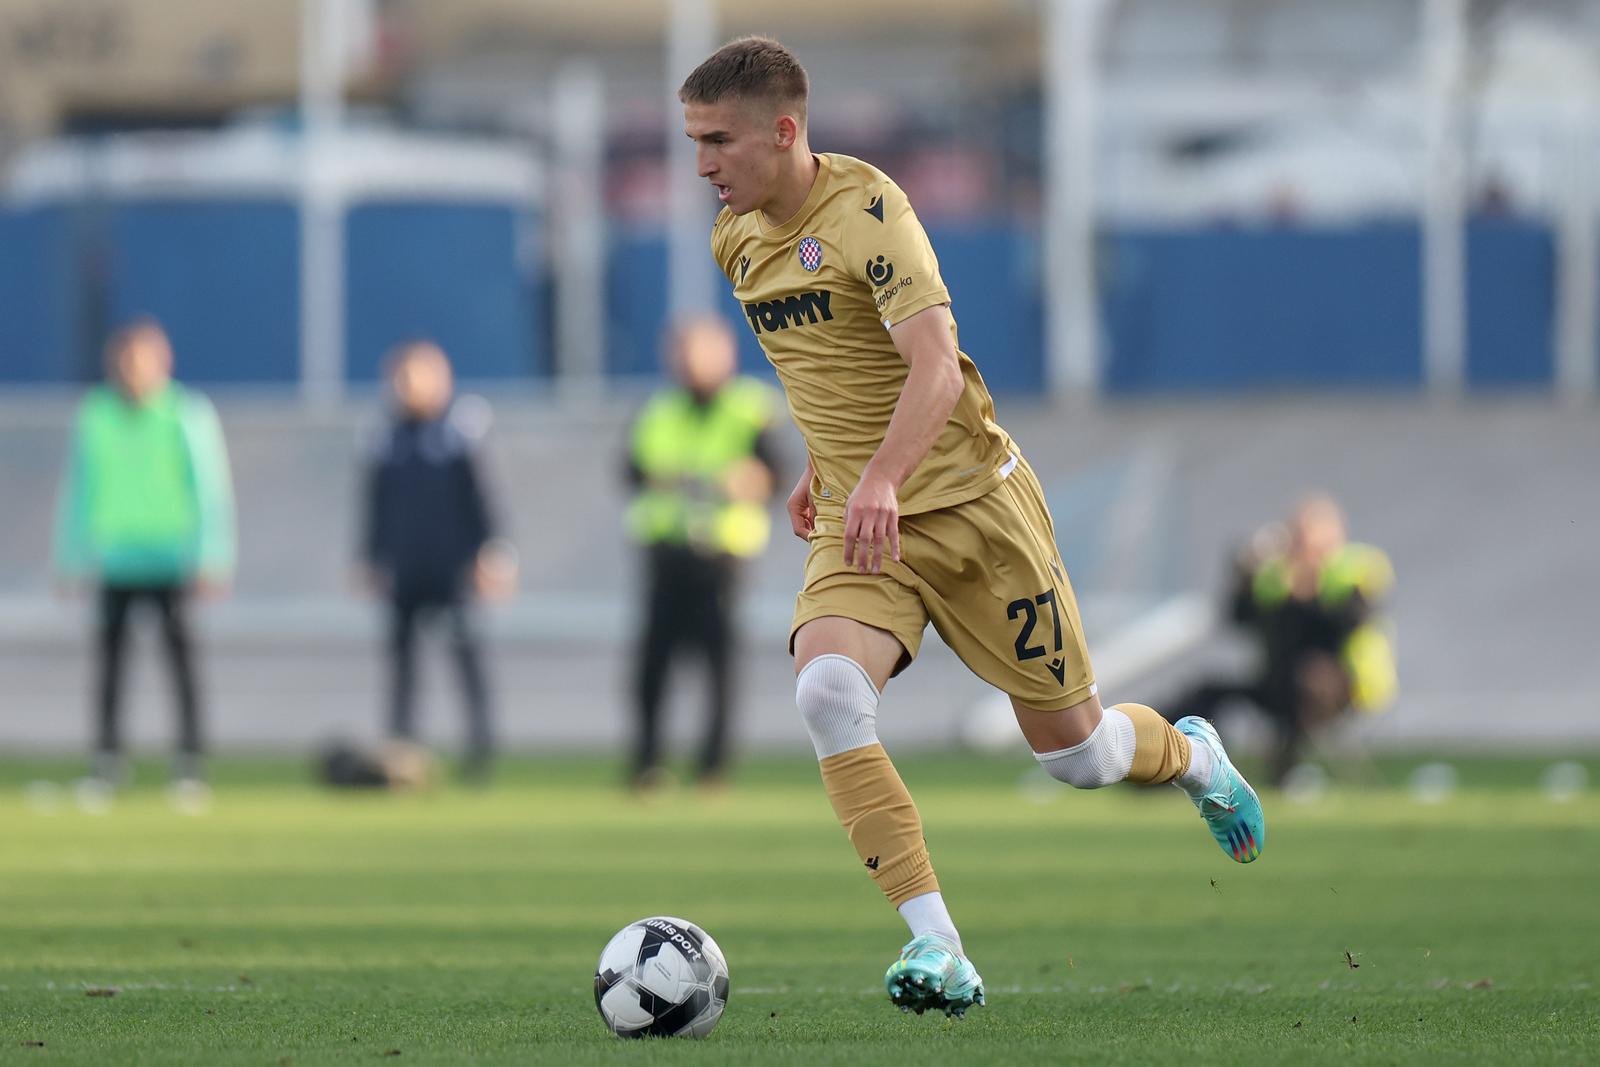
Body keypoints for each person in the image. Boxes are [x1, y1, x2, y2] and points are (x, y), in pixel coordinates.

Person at [678, 36, 1267, 1019]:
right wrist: (827, 473)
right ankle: (938, 946)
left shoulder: (873, 213)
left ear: (784, 132)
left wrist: (877, 476)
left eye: (717, 141)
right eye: (693, 141)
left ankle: (1194, 754)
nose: (700, 163)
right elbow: (825, 366)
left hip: (974, 512)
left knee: (1077, 756)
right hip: (868, 524)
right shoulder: (733, 238)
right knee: (826, 689)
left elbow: (934, 365)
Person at [53, 318, 235, 804]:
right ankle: (108, 760)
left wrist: (212, 554)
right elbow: (79, 489)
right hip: (116, 559)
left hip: (169, 558)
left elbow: (209, 488)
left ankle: (190, 760)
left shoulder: (185, 413)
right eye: (126, 361)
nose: (134, 371)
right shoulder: (95, 414)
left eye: (143, 360)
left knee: (181, 665)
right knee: (111, 666)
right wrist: (70, 556)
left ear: (163, 363)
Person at [624, 316, 782, 791]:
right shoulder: (659, 409)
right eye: (684, 352)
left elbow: (773, 474)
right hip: (667, 551)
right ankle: (648, 763)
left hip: (721, 555)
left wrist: (742, 482)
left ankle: (713, 768)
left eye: (701, 352)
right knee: (653, 664)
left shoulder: (750, 408)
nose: (692, 363)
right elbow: (631, 470)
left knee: (720, 666)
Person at [361, 340, 516, 784]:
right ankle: (401, 754)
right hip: (406, 570)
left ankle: (480, 753)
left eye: (420, 376)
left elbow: (483, 499)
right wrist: (372, 557)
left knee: (466, 660)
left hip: (453, 569)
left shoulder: (460, 432)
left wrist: (492, 555)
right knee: (402, 667)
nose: (410, 387)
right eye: (403, 377)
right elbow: (375, 504)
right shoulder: (385, 437)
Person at [1167, 494, 1396, 786]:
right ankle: (1179, 765)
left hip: (1341, 688)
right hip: (1276, 682)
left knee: (1308, 678)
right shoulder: (1277, 576)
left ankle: (1282, 776)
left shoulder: (1354, 572)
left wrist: (1304, 594)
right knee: (1208, 691)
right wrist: (1245, 577)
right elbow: (1240, 618)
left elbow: (1350, 621)